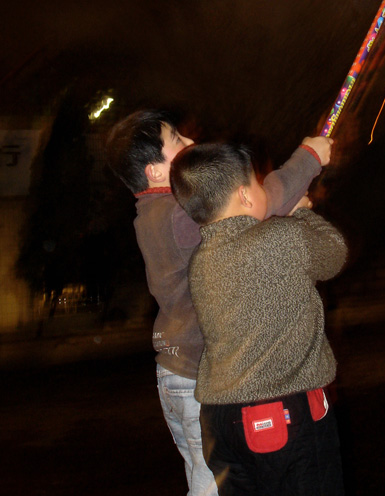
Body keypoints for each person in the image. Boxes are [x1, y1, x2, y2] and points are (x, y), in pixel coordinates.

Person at [105, 109, 333, 496]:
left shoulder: (155, 214)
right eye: (176, 141)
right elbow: (261, 200)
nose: (190, 143)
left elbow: (245, 225)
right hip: (197, 377)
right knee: (213, 488)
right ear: (155, 172)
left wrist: (277, 213)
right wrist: (308, 159)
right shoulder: (180, 216)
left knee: (217, 480)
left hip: (176, 374)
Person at [170, 141, 347, 496]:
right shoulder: (283, 237)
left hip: (220, 424)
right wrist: (302, 213)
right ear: (246, 197)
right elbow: (335, 254)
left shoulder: (201, 261)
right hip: (280, 414)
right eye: (257, 181)